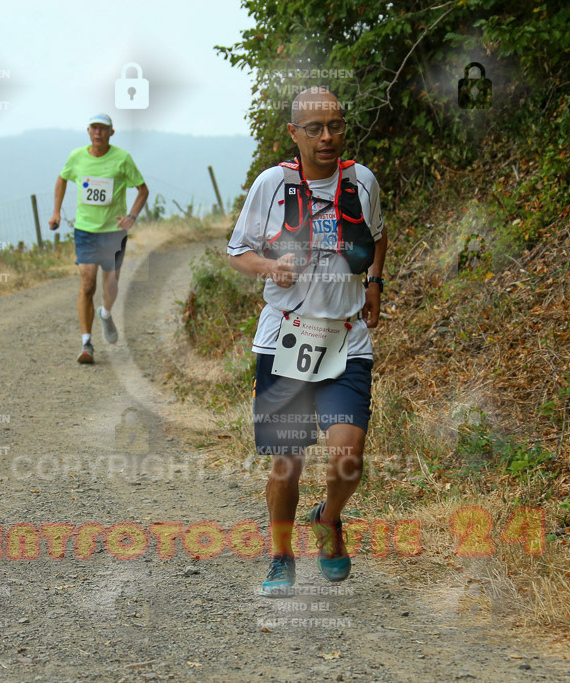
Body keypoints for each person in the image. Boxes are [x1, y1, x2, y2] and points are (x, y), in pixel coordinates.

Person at [227, 87, 387, 597]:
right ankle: (279, 555)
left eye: (335, 126)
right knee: (287, 460)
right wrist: (271, 265)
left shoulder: (362, 181)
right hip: (285, 340)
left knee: (349, 455)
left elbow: (378, 236)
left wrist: (376, 283)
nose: (326, 137)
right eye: (314, 128)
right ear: (293, 133)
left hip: (344, 339)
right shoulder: (272, 185)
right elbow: (238, 252)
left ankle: (327, 518)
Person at [50, 113, 149, 364]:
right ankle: (86, 343)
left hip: (114, 231)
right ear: (88, 131)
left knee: (110, 285)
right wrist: (56, 212)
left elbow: (142, 189)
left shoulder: (122, 159)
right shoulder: (77, 157)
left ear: (111, 133)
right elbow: (62, 178)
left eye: (103, 129)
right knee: (87, 284)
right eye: (94, 128)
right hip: (85, 231)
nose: (98, 133)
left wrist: (132, 216)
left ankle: (105, 313)